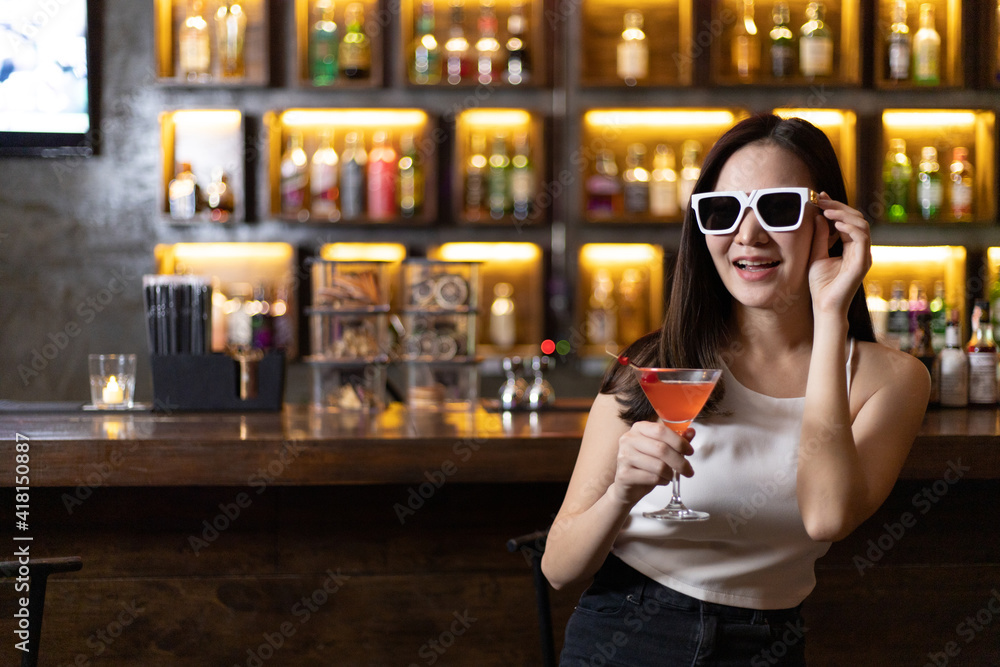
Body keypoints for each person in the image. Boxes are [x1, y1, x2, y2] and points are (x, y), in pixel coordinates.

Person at [541, 114, 930, 666]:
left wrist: (830, 313)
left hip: (765, 645)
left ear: (830, 224)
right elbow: (558, 568)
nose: (748, 235)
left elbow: (827, 517)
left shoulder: (891, 379)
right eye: (723, 212)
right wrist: (622, 492)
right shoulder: (653, 366)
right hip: (626, 631)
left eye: (777, 208)